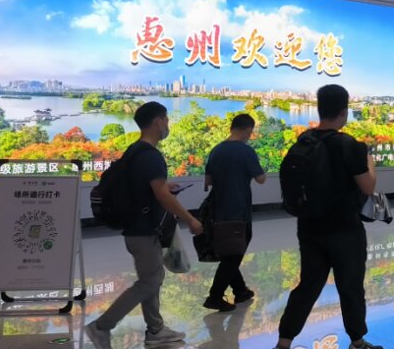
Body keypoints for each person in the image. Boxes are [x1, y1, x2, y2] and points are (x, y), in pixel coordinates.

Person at [86, 101, 204, 349]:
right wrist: (190, 219)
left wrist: (164, 187)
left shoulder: (135, 150)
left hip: (135, 228)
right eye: (166, 120)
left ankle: (156, 329)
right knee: (149, 281)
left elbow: (146, 188)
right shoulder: (151, 156)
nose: (168, 125)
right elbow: (162, 196)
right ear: (158, 121)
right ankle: (101, 326)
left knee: (152, 277)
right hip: (144, 230)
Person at [273, 84, 381, 349]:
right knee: (350, 286)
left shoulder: (304, 141)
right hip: (345, 229)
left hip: (309, 227)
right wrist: (370, 162)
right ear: (344, 111)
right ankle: (357, 341)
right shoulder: (349, 145)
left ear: (320, 109)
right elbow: (368, 187)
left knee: (308, 285)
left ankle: (284, 341)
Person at [203, 113, 266, 311]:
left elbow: (208, 182)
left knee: (230, 251)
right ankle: (214, 296)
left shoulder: (216, 150)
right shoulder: (245, 151)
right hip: (238, 210)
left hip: (218, 210)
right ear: (248, 130)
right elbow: (261, 179)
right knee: (234, 254)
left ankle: (241, 291)